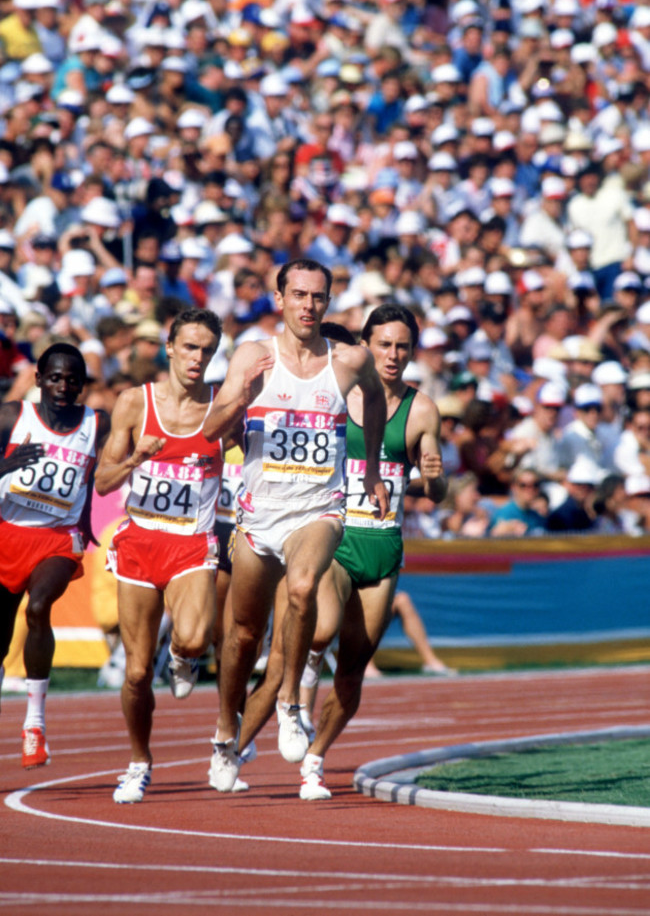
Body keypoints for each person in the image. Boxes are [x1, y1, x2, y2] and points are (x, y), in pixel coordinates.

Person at [203, 257, 388, 793]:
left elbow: (374, 401)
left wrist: (371, 468)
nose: (309, 306)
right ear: (279, 300)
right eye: (300, 295)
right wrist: (242, 395)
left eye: (319, 297)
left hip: (319, 508)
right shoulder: (252, 355)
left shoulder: (350, 360)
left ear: (328, 303)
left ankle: (288, 702)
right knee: (240, 637)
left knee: (304, 588)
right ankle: (223, 732)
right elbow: (211, 430)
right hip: (259, 513)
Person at [296, 303, 448, 799]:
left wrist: (433, 477)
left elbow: (435, 490)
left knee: (354, 668)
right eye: (383, 344)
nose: (393, 354)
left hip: (384, 546)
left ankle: (316, 756)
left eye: (402, 346)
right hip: (335, 537)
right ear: (366, 345)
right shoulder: (335, 393)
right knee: (321, 627)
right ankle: (295, 703)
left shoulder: (421, 408)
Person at [95, 307, 224, 804]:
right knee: (133, 671)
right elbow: (103, 481)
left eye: (207, 350)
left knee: (192, 639)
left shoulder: (222, 407)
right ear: (169, 348)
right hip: (142, 540)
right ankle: (138, 761)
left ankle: (184, 658)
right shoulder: (133, 403)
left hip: (193, 541)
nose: (197, 358)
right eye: (190, 347)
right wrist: (135, 459)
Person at [0, 342, 109, 768]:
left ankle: (35, 723)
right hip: (8, 532)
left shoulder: (97, 423)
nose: (64, 386)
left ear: (82, 386)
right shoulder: (12, 417)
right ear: (40, 379)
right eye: (56, 377)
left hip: (58, 539)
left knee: (40, 606)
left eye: (73, 380)